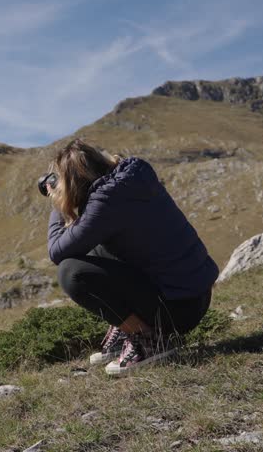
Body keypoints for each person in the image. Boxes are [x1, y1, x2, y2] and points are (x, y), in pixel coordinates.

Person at [45, 138, 219, 375]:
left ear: (75, 183)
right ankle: (129, 328)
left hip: (178, 310)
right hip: (194, 295)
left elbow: (57, 252)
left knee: (70, 272)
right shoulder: (131, 178)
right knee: (94, 251)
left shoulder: (106, 203)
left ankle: (147, 339)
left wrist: (58, 205)